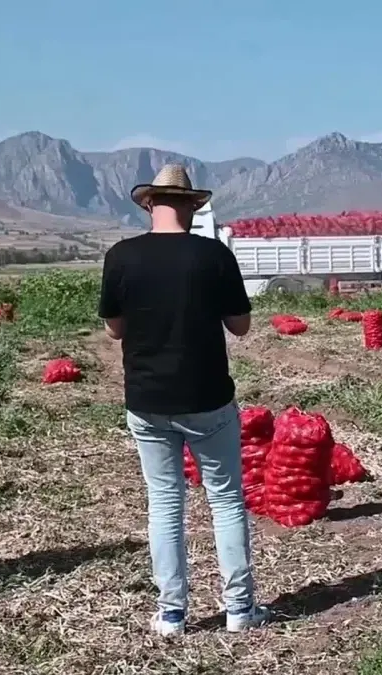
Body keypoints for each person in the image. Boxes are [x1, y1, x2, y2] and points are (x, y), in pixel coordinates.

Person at [98, 164, 268, 637]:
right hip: (208, 398)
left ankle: (172, 613)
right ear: (193, 205)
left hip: (147, 400)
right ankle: (240, 610)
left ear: (150, 203)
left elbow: (114, 329)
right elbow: (241, 326)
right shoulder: (213, 256)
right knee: (227, 502)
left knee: (165, 504)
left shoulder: (121, 256)